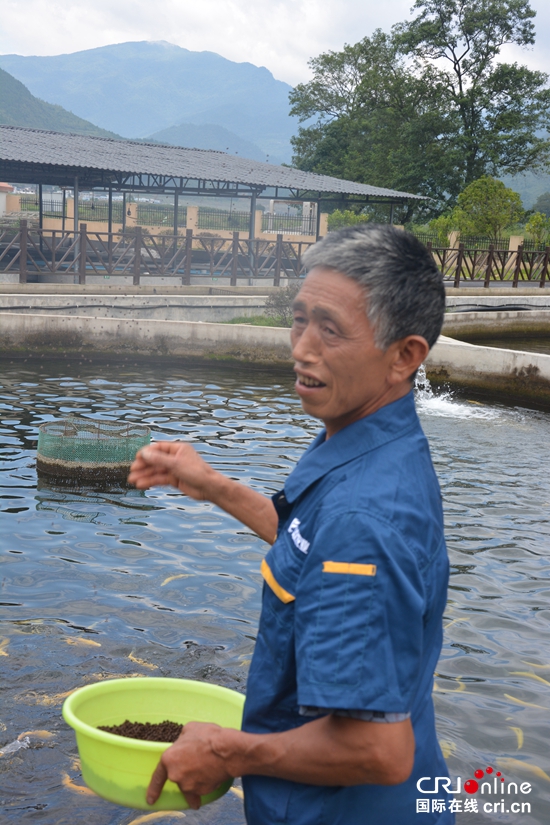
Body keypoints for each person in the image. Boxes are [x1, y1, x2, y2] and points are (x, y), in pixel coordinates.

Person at [128, 224, 453, 825]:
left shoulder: (364, 517)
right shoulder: (365, 446)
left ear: (404, 356)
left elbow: (378, 751)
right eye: (299, 318)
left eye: (330, 329)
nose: (301, 348)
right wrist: (212, 486)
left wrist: (226, 752)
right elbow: (309, 543)